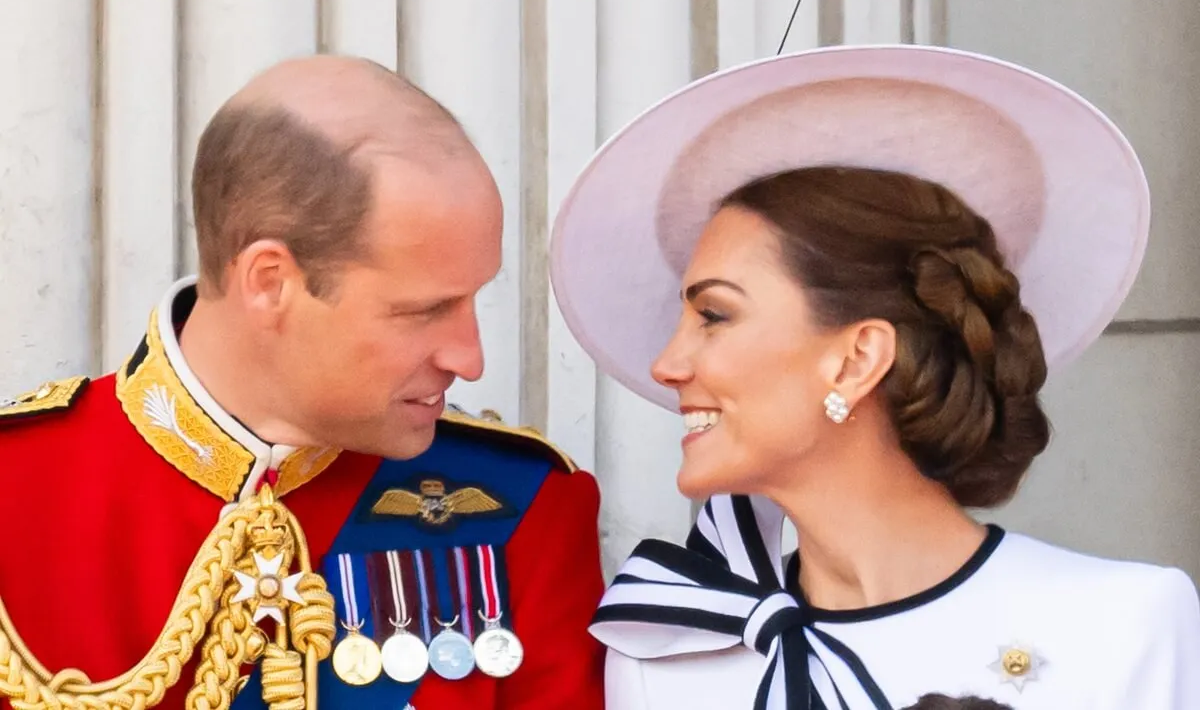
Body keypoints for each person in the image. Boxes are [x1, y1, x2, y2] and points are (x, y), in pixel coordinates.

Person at [548, 45, 1200, 708]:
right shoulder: (663, 664)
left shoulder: (1123, 627)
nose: (667, 364)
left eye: (714, 315)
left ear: (858, 358)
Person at [0, 56, 605, 709]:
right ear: (269, 282)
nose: (470, 358)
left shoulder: (518, 508)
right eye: (425, 310)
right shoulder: (17, 486)